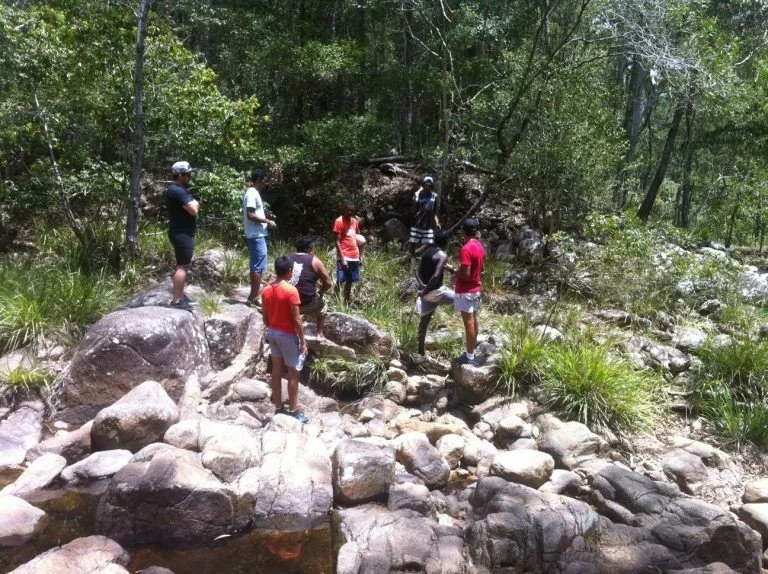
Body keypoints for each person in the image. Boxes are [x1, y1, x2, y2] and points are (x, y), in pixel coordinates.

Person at [262, 255, 309, 424]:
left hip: (273, 333)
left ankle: (278, 407)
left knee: (276, 371)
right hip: (287, 335)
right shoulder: (291, 291)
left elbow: (265, 318)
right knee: (293, 372)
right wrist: (303, 341)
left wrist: (273, 326)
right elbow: (297, 320)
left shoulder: (266, 290)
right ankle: (294, 410)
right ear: (289, 271)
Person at [166, 160, 200, 310]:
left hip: (181, 232)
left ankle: (178, 298)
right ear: (180, 175)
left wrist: (194, 203)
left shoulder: (178, 190)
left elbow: (193, 206)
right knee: (182, 266)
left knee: (183, 265)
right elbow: (194, 209)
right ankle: (177, 301)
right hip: (182, 234)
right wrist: (195, 203)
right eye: (187, 174)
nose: (189, 177)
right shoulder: (177, 191)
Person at [416, 231, 455, 355]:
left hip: (425, 294)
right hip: (436, 292)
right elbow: (436, 276)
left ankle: (420, 351)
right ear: (446, 242)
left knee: (424, 323)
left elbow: (417, 272)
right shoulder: (442, 255)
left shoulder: (427, 252)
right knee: (462, 299)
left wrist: (422, 287)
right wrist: (426, 290)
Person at [454, 218, 486, 365]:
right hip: (476, 289)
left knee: (468, 324)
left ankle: (469, 356)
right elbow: (482, 270)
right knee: (474, 320)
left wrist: (455, 272)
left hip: (465, 290)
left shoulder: (466, 249)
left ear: (463, 231)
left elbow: (465, 274)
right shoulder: (480, 246)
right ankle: (471, 351)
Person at [243, 169, 277, 306]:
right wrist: (268, 221)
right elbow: (250, 215)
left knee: (258, 265)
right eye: (265, 180)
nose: (266, 183)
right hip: (256, 235)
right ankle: (253, 297)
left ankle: (253, 296)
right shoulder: (252, 193)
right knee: (257, 266)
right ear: (258, 179)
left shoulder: (254, 193)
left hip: (257, 234)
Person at [289, 236, 333, 337]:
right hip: (306, 303)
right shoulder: (314, 261)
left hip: (288, 301)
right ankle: (319, 333)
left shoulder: (287, 258)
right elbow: (328, 283)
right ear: (309, 249)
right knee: (323, 304)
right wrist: (320, 292)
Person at [334, 200, 363, 304]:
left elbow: (357, 238)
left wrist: (361, 256)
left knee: (350, 280)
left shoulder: (354, 221)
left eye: (352, 210)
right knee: (341, 279)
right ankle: (336, 299)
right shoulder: (339, 221)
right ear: (344, 209)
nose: (350, 212)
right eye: (348, 210)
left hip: (354, 255)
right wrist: (342, 259)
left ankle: (346, 302)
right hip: (344, 255)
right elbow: (337, 241)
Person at [408, 176, 440, 256]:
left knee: (429, 244)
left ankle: (420, 256)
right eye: (426, 184)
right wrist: (415, 199)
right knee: (412, 244)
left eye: (429, 185)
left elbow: (434, 212)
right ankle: (413, 257)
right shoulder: (418, 195)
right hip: (417, 224)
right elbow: (412, 212)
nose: (427, 187)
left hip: (428, 225)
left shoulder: (434, 196)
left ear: (431, 186)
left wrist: (437, 222)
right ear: (423, 185)